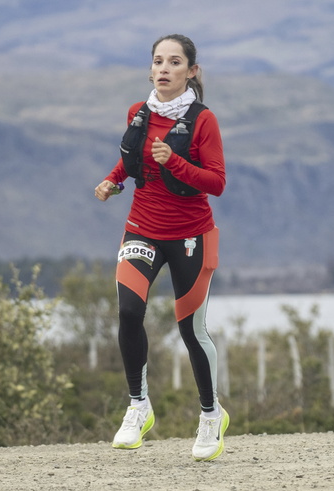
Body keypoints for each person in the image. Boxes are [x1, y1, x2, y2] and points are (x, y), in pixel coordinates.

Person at [94, 34, 228, 461]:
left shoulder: (203, 120)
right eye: (158, 61)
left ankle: (211, 414)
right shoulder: (138, 112)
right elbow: (132, 159)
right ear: (150, 69)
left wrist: (177, 162)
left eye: (174, 62)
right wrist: (112, 181)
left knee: (191, 330)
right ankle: (138, 406)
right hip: (142, 229)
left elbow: (217, 182)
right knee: (129, 312)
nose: (164, 69)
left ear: (191, 71)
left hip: (191, 236)